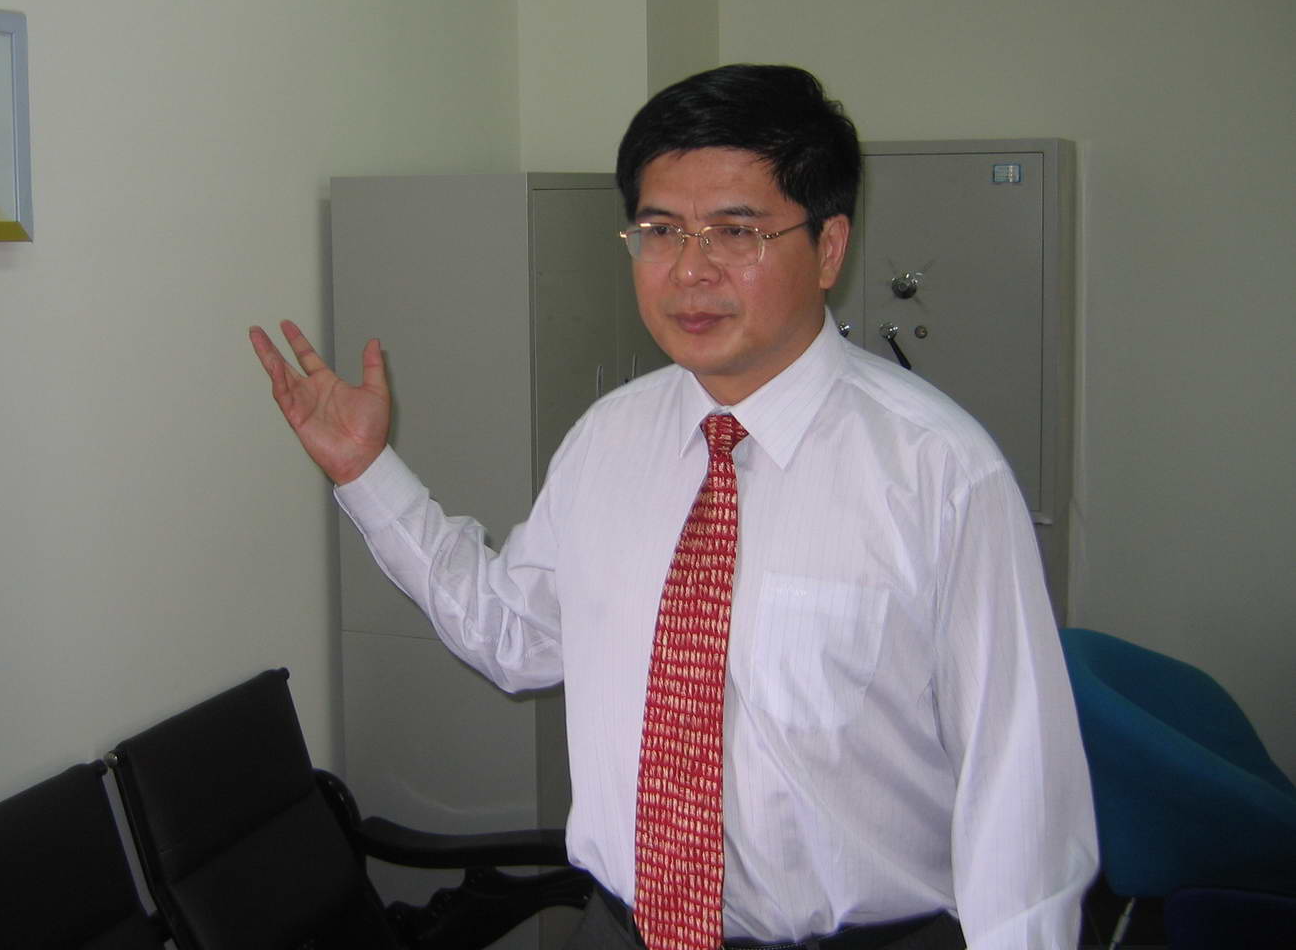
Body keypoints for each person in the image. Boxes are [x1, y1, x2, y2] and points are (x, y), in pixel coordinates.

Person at [249, 65, 1096, 950]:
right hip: (620, 928)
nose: (690, 270)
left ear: (830, 248)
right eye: (660, 231)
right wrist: (367, 473)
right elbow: (514, 636)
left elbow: (1021, 795)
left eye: (737, 231)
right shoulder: (608, 440)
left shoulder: (939, 471)